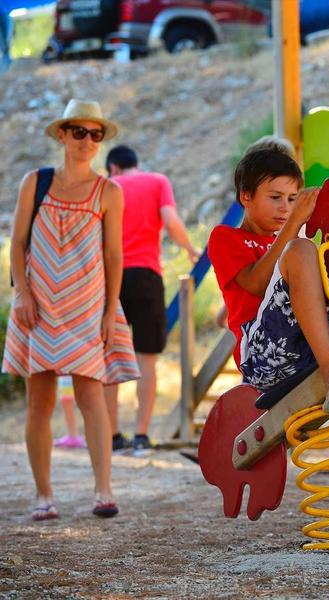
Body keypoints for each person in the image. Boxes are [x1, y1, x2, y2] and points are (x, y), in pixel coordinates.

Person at [3, 99, 140, 520]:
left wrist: (107, 311)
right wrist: (22, 294)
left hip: (87, 305)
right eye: (78, 132)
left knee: (91, 397)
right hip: (38, 305)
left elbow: (114, 255)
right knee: (39, 401)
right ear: (62, 135)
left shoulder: (109, 192)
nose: (87, 141)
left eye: (95, 134)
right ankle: (44, 496)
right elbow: (19, 243)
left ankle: (104, 491)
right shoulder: (35, 182)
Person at [207, 141, 329, 424]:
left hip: (310, 339)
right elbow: (255, 284)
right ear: (246, 196)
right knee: (301, 250)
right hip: (264, 355)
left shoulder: (294, 239)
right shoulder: (226, 238)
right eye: (275, 197)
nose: (285, 208)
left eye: (292, 199)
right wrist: (294, 229)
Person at [102, 145, 201, 457]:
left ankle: (113, 437)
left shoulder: (108, 187)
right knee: (146, 359)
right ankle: (142, 436)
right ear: (135, 164)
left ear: (113, 168)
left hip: (110, 279)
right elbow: (170, 221)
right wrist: (190, 249)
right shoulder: (157, 181)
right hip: (146, 275)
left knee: (109, 358)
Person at [53, 375, 87, 449]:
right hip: (66, 374)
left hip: (73, 372)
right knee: (66, 401)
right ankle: (72, 435)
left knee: (70, 401)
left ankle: (75, 436)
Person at [0, 0, 12, 72]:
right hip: (5, 11)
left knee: (6, 40)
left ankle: (6, 64)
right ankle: (5, 65)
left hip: (5, 11)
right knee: (4, 42)